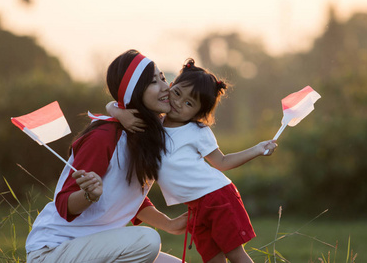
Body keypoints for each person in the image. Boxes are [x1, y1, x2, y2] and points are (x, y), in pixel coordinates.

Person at [108, 59, 278, 263]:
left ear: (198, 113)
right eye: (178, 93)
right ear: (171, 86)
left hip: (219, 198)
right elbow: (111, 104)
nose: (179, 103)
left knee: (235, 254)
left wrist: (257, 149)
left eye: (189, 103)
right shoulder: (154, 124)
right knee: (212, 258)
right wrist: (119, 114)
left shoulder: (197, 131)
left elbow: (222, 162)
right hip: (196, 207)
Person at [25, 49, 187, 263]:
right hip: (52, 251)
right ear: (135, 91)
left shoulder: (145, 136)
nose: (166, 87)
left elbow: (126, 195)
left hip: (93, 248)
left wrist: (169, 224)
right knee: (148, 241)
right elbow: (64, 203)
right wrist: (90, 195)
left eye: (163, 78)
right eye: (153, 82)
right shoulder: (104, 137)